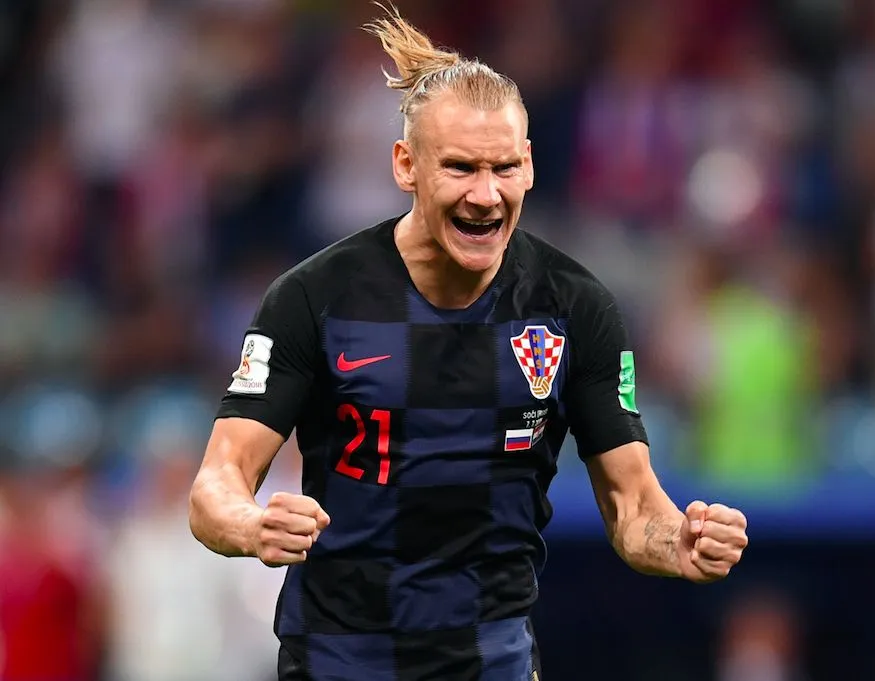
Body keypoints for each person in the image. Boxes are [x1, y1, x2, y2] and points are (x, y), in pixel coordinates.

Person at [189, 5, 749, 680]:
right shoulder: (315, 298)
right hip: (340, 661)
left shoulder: (574, 307)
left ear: (530, 166)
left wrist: (677, 538)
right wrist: (251, 525)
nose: (486, 195)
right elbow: (215, 485)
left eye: (503, 168)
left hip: (491, 663)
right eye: (460, 168)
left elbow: (633, 506)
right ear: (406, 165)